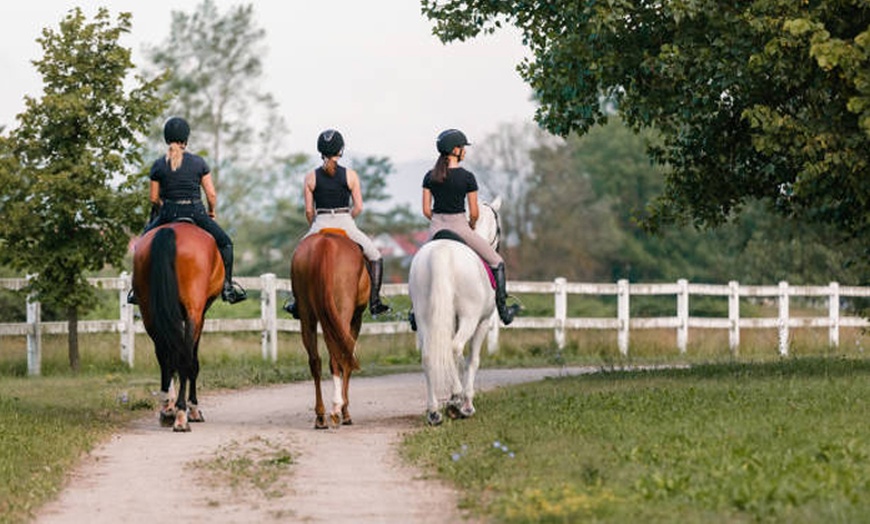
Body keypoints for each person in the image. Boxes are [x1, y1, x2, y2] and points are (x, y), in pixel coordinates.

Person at [128, 116, 247, 305]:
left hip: (168, 213)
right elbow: (212, 195)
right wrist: (211, 212)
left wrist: (163, 207)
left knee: (140, 245)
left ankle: (136, 290)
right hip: (196, 212)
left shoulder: (158, 165)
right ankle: (227, 287)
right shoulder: (199, 163)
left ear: (167, 138)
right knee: (226, 243)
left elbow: (153, 198)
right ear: (186, 139)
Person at [284, 129, 390, 317]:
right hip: (345, 221)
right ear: (340, 150)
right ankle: (375, 301)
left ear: (320, 151)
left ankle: (297, 303)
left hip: (320, 222)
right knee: (375, 255)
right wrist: (348, 220)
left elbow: (309, 211)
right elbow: (358, 207)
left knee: (297, 257)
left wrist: (314, 225)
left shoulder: (310, 177)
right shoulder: (350, 175)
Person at [419, 128, 520, 325]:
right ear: (455, 150)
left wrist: (438, 219)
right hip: (460, 226)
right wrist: (471, 225)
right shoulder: (467, 177)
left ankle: (414, 312)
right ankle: (503, 311)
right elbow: (474, 212)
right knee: (497, 262)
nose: (465, 151)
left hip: (436, 228)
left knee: (420, 265)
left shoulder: (429, 176)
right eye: (463, 147)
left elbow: (425, 210)